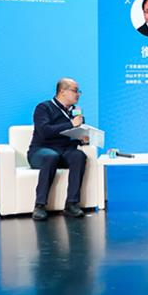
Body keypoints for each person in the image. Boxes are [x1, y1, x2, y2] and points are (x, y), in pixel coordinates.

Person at [27, 78, 88, 220]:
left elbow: (72, 135)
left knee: (79, 156)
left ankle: (71, 204)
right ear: (62, 91)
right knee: (51, 156)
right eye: (75, 91)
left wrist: (82, 139)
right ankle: (40, 205)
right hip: (41, 151)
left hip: (64, 151)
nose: (78, 94)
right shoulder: (44, 108)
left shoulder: (75, 113)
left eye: (79, 91)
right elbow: (44, 131)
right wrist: (70, 124)